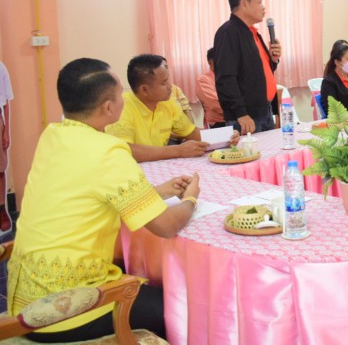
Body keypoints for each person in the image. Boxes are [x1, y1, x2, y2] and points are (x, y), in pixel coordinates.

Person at [8, 58, 200, 343]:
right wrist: (191, 199)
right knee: (180, 306)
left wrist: (157, 192)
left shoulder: (53, 135)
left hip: (23, 302)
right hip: (63, 311)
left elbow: (88, 192)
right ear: (109, 108)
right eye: (121, 93)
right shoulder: (108, 150)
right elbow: (166, 226)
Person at [106, 54, 210, 162]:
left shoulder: (168, 102)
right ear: (144, 90)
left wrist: (222, 137)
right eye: (164, 83)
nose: (170, 86)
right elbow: (124, 150)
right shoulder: (122, 107)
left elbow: (192, 133)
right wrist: (177, 150)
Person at [213, 0, 283, 134]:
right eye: (259, 2)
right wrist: (241, 113)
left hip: (264, 110)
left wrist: (273, 60)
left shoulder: (253, 33)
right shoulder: (228, 32)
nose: (263, 7)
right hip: (246, 117)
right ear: (244, 4)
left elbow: (257, 72)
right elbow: (226, 78)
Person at [196, 48, 225, 128]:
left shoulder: (232, 77)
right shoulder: (203, 80)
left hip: (240, 118)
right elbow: (216, 104)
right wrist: (240, 109)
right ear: (211, 63)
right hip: (219, 123)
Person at [0, 60, 13, 234]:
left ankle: (2, 209)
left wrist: (6, 131)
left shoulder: (1, 67)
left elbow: (6, 101)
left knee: (0, 169)